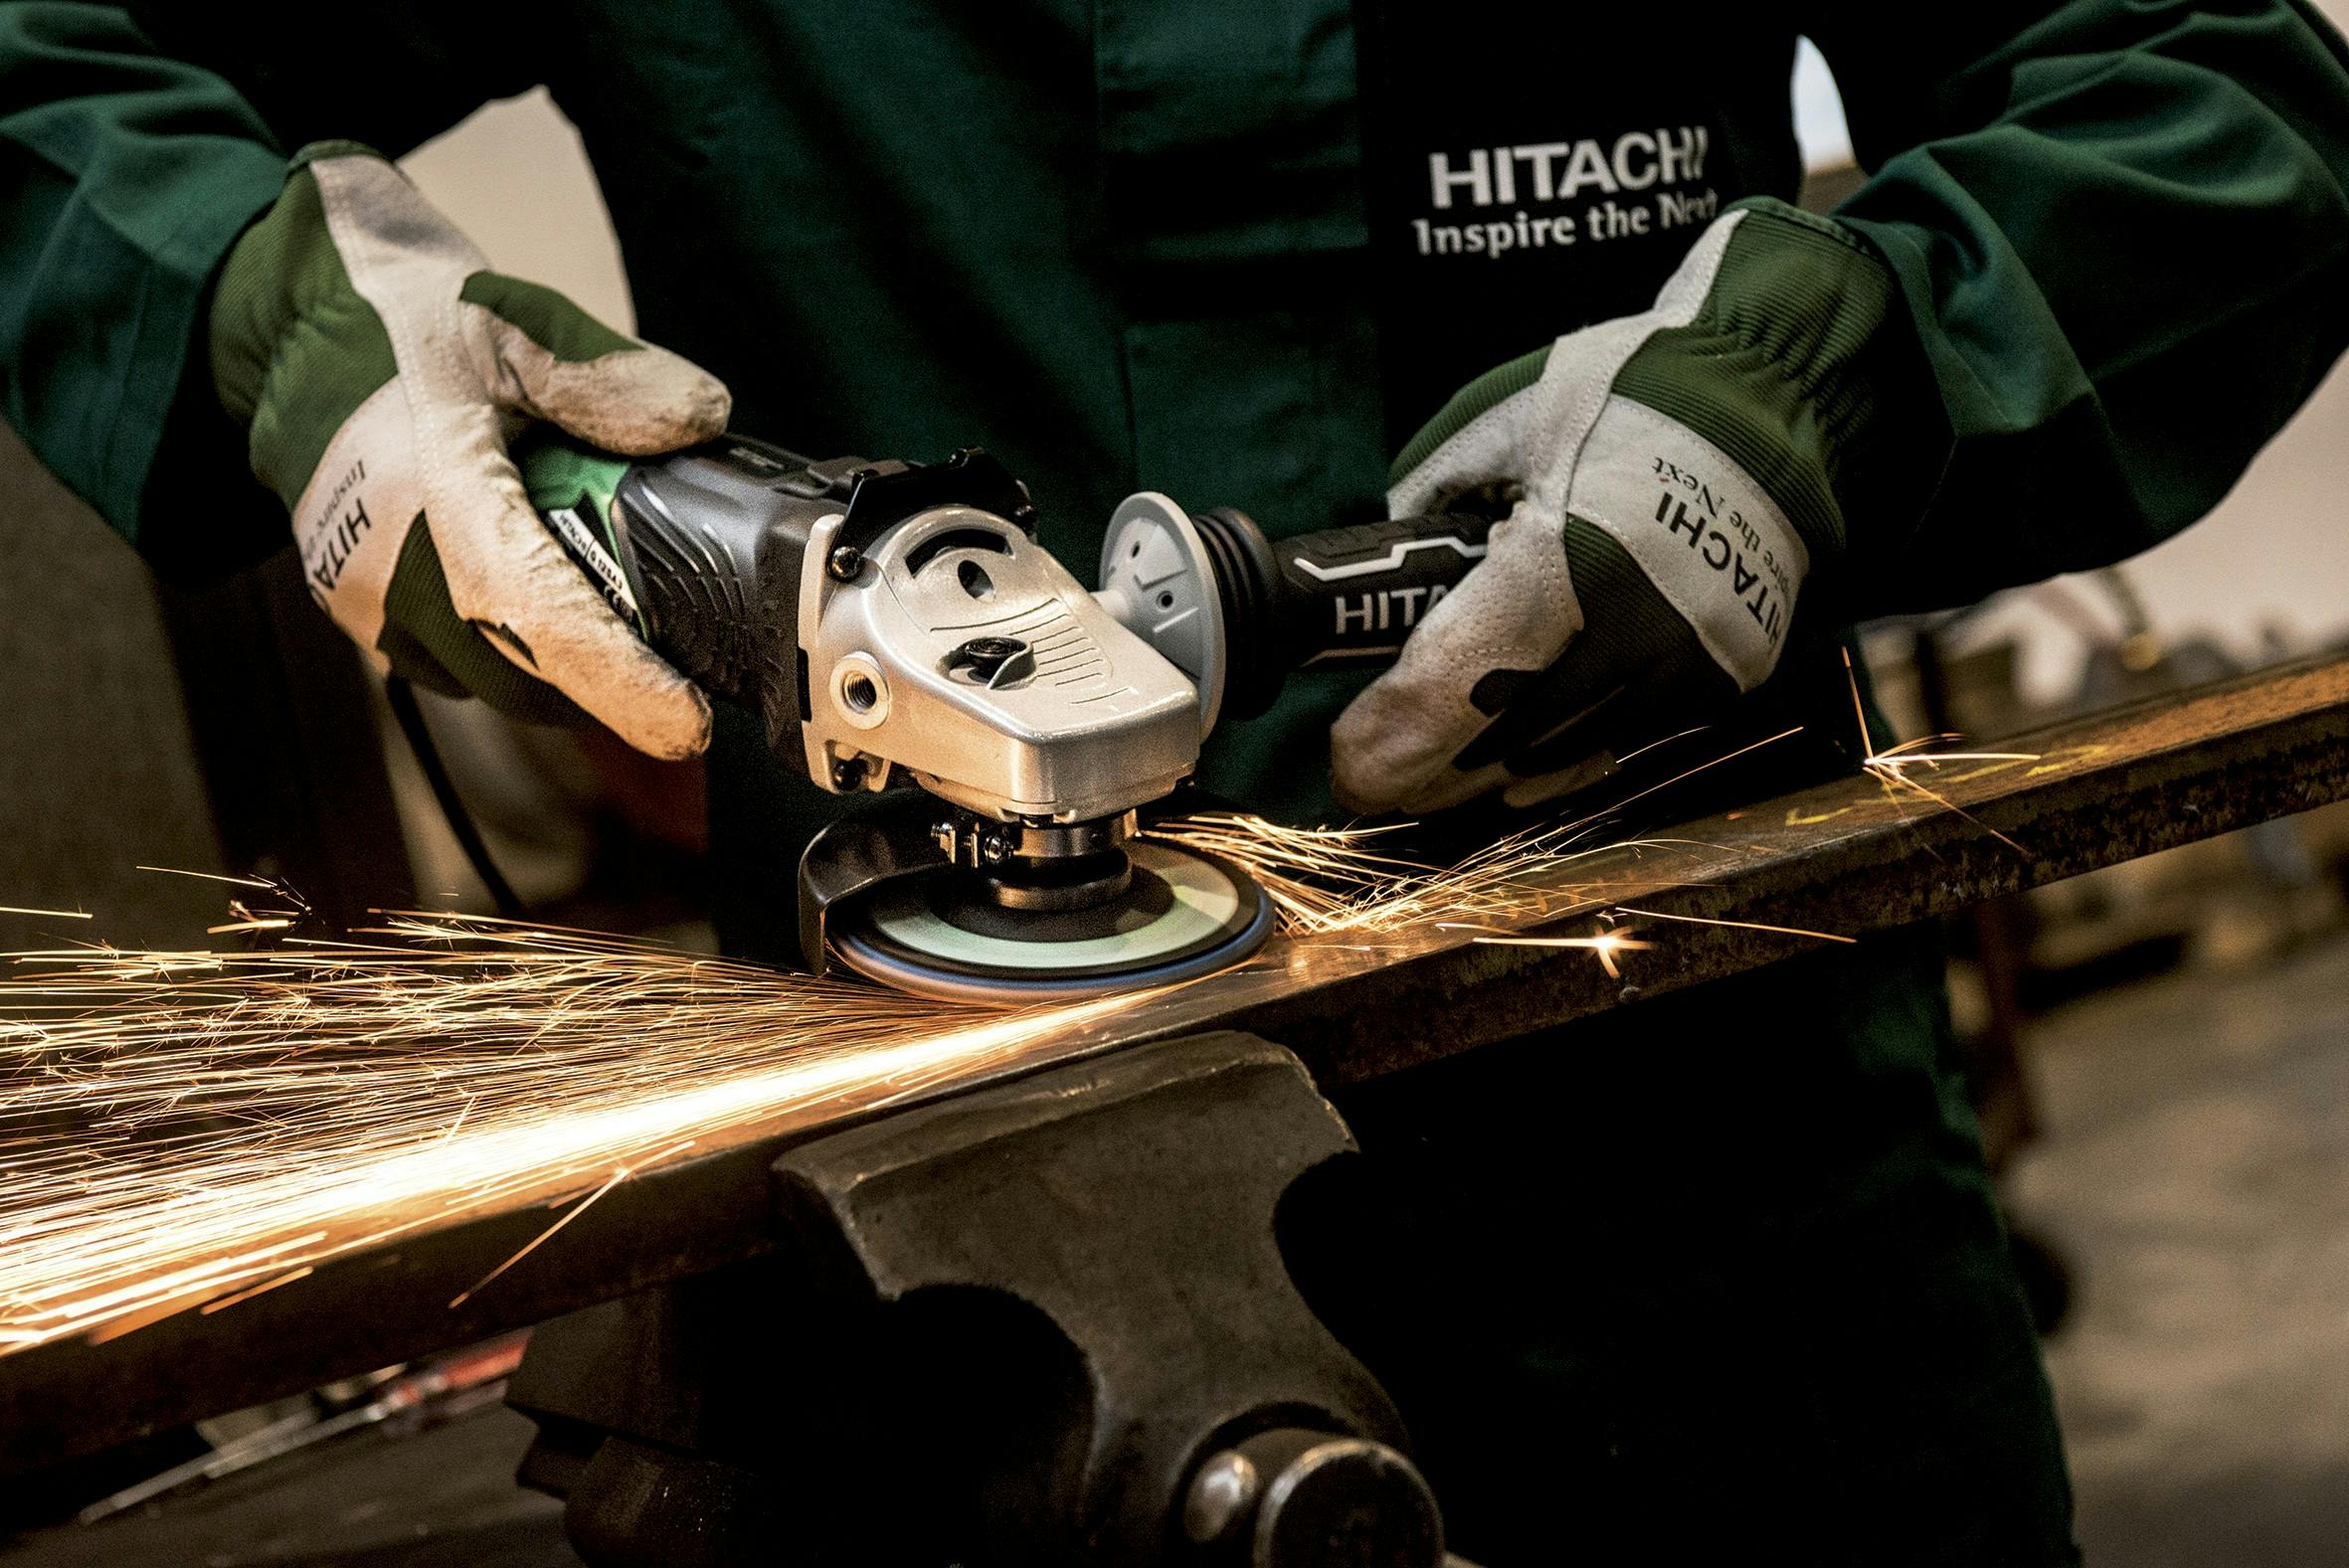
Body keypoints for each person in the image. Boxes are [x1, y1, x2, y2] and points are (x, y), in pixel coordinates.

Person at [6, 3, 2347, 1561]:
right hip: (933, 1215)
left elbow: (2217, 98)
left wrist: (1854, 373)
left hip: (1704, 1170)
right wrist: (255, 305)